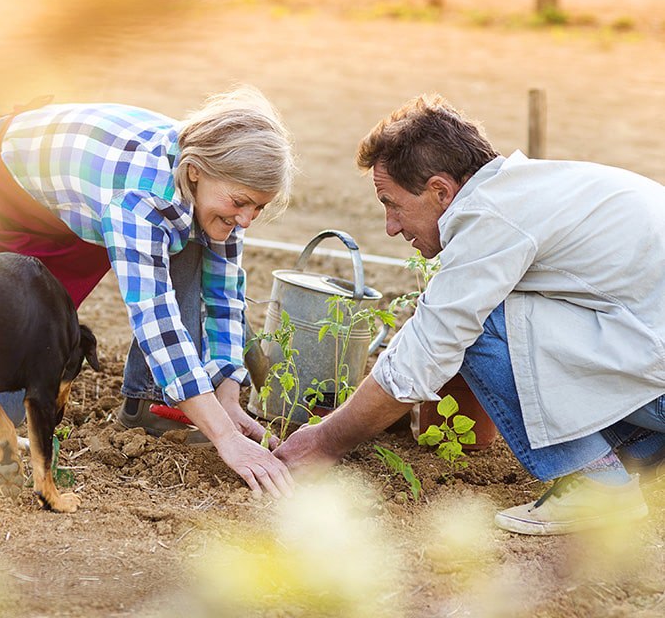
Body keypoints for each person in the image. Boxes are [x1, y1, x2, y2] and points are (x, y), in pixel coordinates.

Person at [274, 93, 665, 534]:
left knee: (482, 324)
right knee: (494, 314)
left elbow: (429, 348)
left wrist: (325, 442)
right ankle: (638, 452)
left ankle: (599, 486)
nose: (391, 226)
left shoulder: (491, 216)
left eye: (392, 203)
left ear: (440, 190)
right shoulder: (528, 188)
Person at [0, 86, 296, 498]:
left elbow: (224, 295)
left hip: (50, 222)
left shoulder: (208, 184)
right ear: (195, 171)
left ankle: (152, 405)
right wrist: (225, 437)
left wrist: (227, 397)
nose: (246, 220)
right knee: (6, 397)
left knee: (196, 234)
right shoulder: (142, 197)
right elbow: (155, 318)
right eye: (241, 202)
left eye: (258, 208)